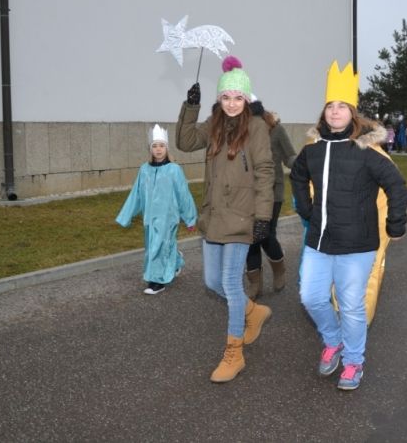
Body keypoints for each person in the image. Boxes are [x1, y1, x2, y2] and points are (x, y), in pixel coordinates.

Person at [291, 60, 407, 391]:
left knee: (352, 307)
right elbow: (298, 176)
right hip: (319, 242)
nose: (335, 111)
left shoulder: (367, 150)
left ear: (353, 113)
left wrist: (395, 224)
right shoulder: (313, 150)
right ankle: (333, 340)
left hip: (357, 245)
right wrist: (306, 208)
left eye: (342, 106)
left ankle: (354, 361)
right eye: (331, 105)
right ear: (324, 111)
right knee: (311, 297)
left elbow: (397, 186)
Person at [175, 56, 274, 383]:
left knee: (231, 283)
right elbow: (185, 142)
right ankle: (252, 312)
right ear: (219, 99)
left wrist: (263, 216)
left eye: (238, 97)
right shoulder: (213, 124)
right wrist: (191, 107)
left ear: (246, 99)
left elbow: (264, 171)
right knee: (212, 282)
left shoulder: (256, 127)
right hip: (215, 214)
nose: (232, 103)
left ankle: (234, 353)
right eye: (226, 97)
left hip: (242, 216)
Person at [116, 124, 198, 295]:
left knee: (159, 246)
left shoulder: (174, 170)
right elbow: (136, 194)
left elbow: (183, 194)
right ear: (150, 149)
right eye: (155, 146)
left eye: (161, 146)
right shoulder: (144, 170)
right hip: (150, 217)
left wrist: (190, 218)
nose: (158, 149)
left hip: (168, 217)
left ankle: (157, 281)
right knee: (154, 245)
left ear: (166, 148)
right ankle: (176, 261)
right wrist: (126, 216)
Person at [244, 99, 297, 298]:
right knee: (250, 238)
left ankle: (278, 268)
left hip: (272, 192)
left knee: (265, 234)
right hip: (247, 193)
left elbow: (290, 156)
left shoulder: (276, 130)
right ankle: (254, 283)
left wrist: (303, 165)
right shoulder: (241, 133)